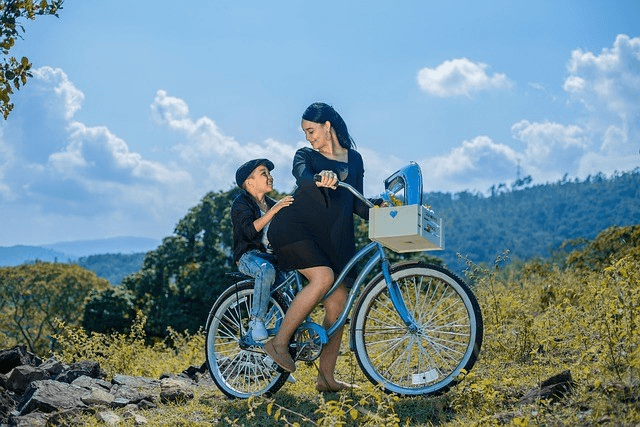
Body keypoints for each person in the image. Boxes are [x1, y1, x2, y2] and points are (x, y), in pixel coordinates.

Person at [266, 102, 375, 392]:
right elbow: (302, 178)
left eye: (311, 130)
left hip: (333, 238)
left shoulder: (355, 159)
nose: (308, 137)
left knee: (337, 306)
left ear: (327, 126)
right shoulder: (306, 156)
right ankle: (278, 343)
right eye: (305, 132)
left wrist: (380, 207)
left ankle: (326, 378)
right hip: (294, 229)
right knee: (323, 277)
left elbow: (357, 203)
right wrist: (321, 177)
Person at [232, 158, 294, 341]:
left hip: (274, 259)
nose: (270, 177)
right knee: (265, 271)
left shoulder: (272, 203)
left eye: (269, 173)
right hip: (248, 257)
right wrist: (274, 210)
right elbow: (250, 231)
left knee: (292, 299)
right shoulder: (241, 203)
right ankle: (256, 321)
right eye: (264, 173)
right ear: (249, 182)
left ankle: (281, 343)